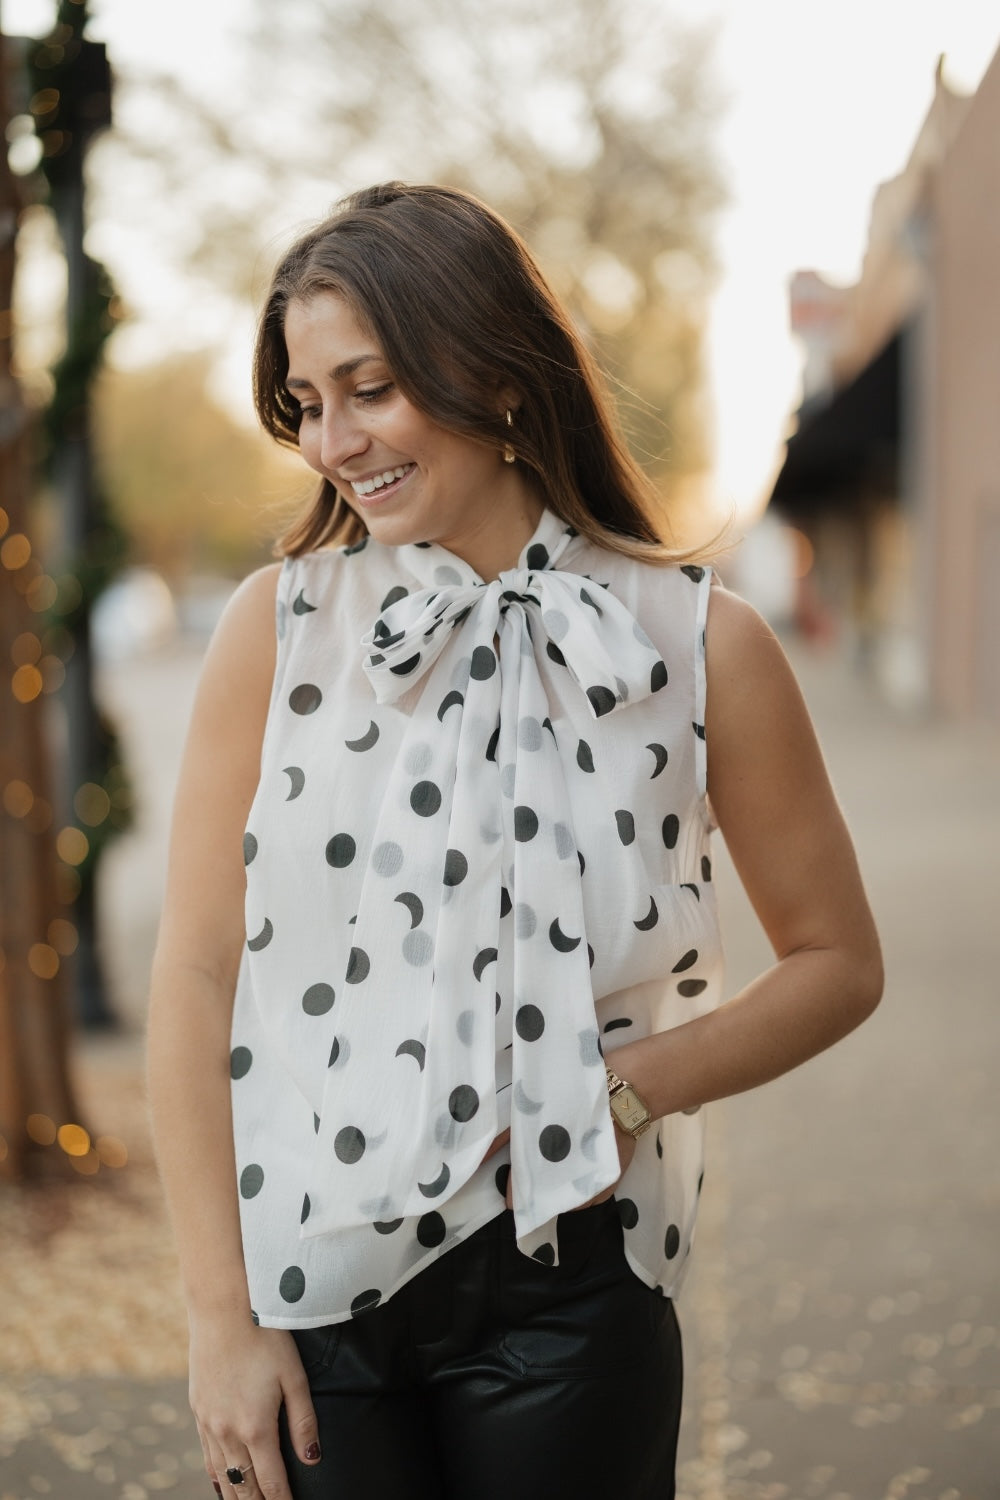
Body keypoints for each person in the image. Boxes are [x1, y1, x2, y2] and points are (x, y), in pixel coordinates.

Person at [147, 181, 883, 1500]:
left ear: (490, 371)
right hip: (307, 1290)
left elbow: (838, 962)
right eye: (307, 403)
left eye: (368, 388)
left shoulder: (702, 646)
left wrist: (623, 1090)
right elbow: (196, 979)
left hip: (572, 1296)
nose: (332, 440)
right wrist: (218, 1322)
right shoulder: (277, 631)